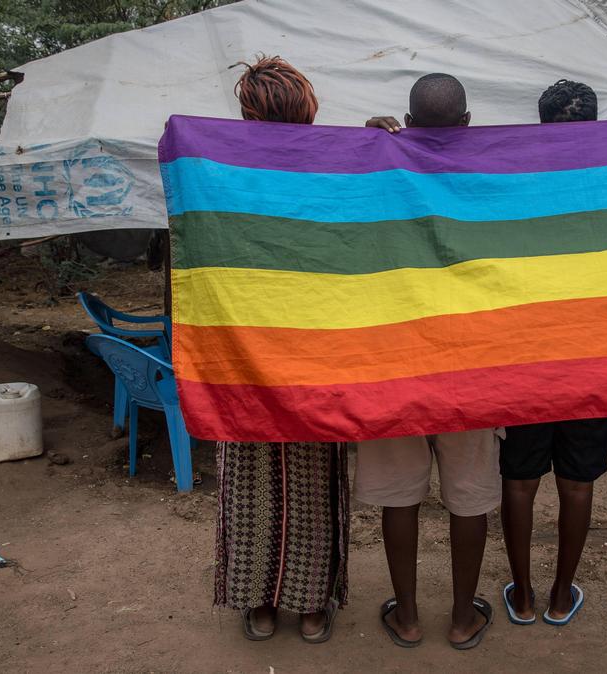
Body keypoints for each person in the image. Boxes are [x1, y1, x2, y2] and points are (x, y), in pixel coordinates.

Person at [358, 73, 499, 651]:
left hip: (396, 364)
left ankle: (409, 617)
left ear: (407, 123)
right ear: (467, 124)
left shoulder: (382, 169)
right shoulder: (490, 173)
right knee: (469, 493)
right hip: (473, 364)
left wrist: (366, 142)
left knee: (399, 494)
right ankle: (463, 618)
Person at [212, 55, 348, 645]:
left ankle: (264, 602)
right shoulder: (221, 169)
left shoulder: (332, 167)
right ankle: (307, 602)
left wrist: (377, 150)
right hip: (278, 347)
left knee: (254, 480)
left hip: (271, 348)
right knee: (308, 482)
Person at [496, 79, 607, 628]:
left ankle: (521, 597)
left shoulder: (516, 180)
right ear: (593, 125)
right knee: (577, 481)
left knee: (519, 480)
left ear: (540, 122)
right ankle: (561, 596)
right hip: (594, 356)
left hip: (526, 356)